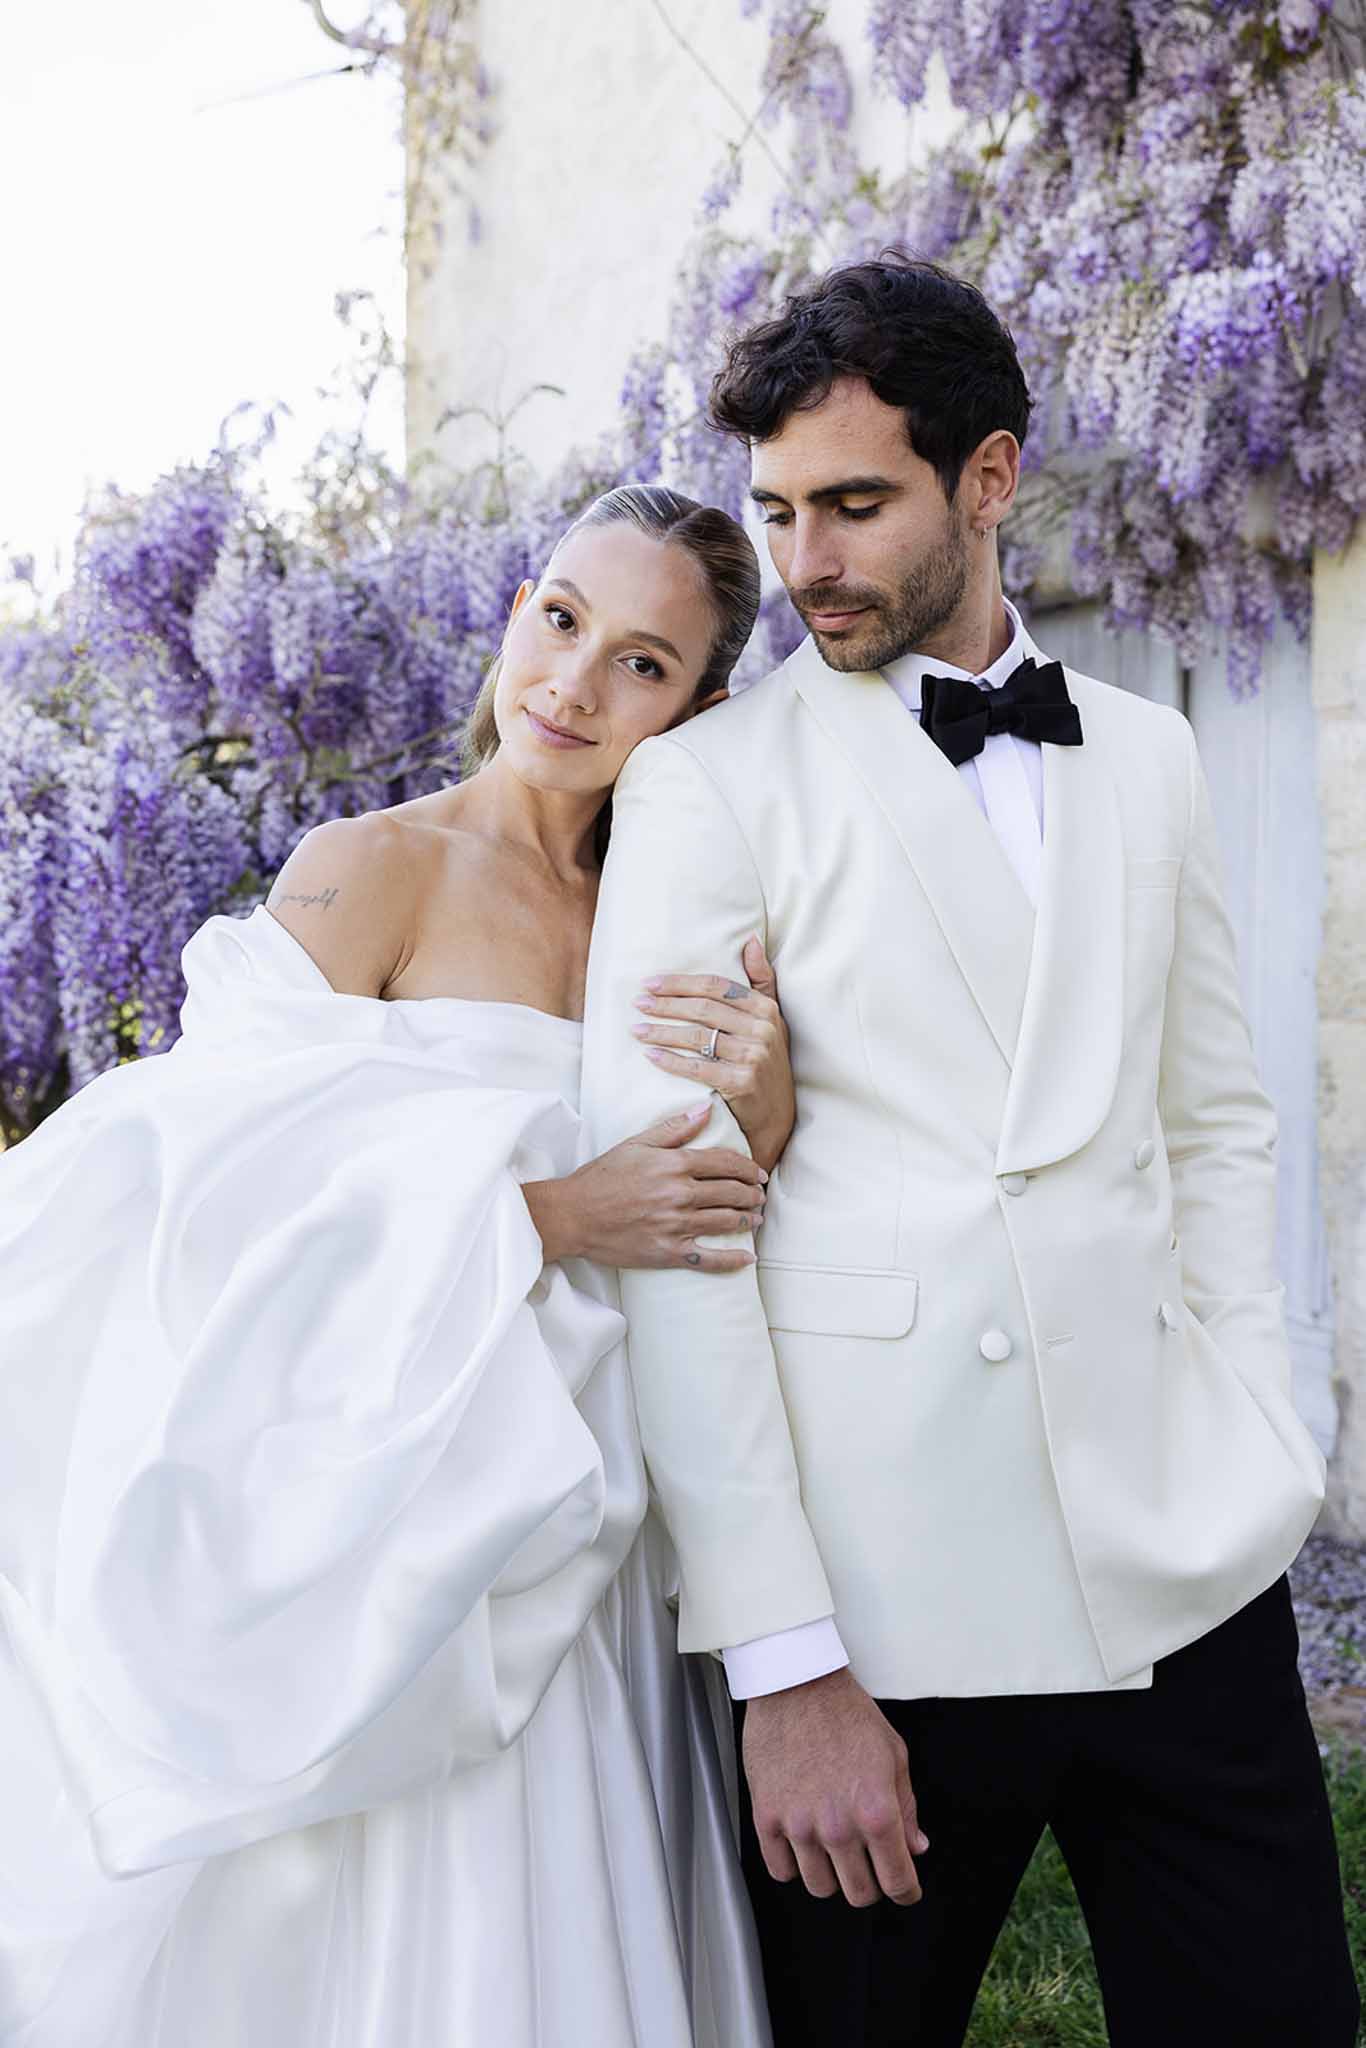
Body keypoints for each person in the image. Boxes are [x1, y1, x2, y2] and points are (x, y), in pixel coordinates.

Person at [580, 258, 1361, 2047]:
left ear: (987, 481)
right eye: (778, 512)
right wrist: (783, 1664)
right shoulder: (708, 788)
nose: (806, 562)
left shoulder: (1152, 758)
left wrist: (1267, 1418)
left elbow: (1214, 1124)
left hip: (1185, 1559)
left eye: (855, 504)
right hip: (884, 1602)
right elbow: (680, 1236)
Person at [0, 485, 787, 2048]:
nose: (570, 684)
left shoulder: (683, 916)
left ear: (698, 707)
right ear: (511, 611)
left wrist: (763, 1113)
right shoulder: (373, 869)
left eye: (639, 663)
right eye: (558, 619)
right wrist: (547, 1217)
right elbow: (218, 1199)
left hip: (608, 1513)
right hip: (420, 1514)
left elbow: (727, 1203)